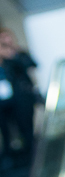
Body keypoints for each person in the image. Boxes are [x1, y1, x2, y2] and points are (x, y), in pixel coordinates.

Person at [0, 29, 40, 161]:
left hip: (22, 99)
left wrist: (13, 54)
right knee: (7, 129)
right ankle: (11, 156)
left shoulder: (19, 54)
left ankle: (33, 156)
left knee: (27, 128)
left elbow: (31, 65)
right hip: (5, 102)